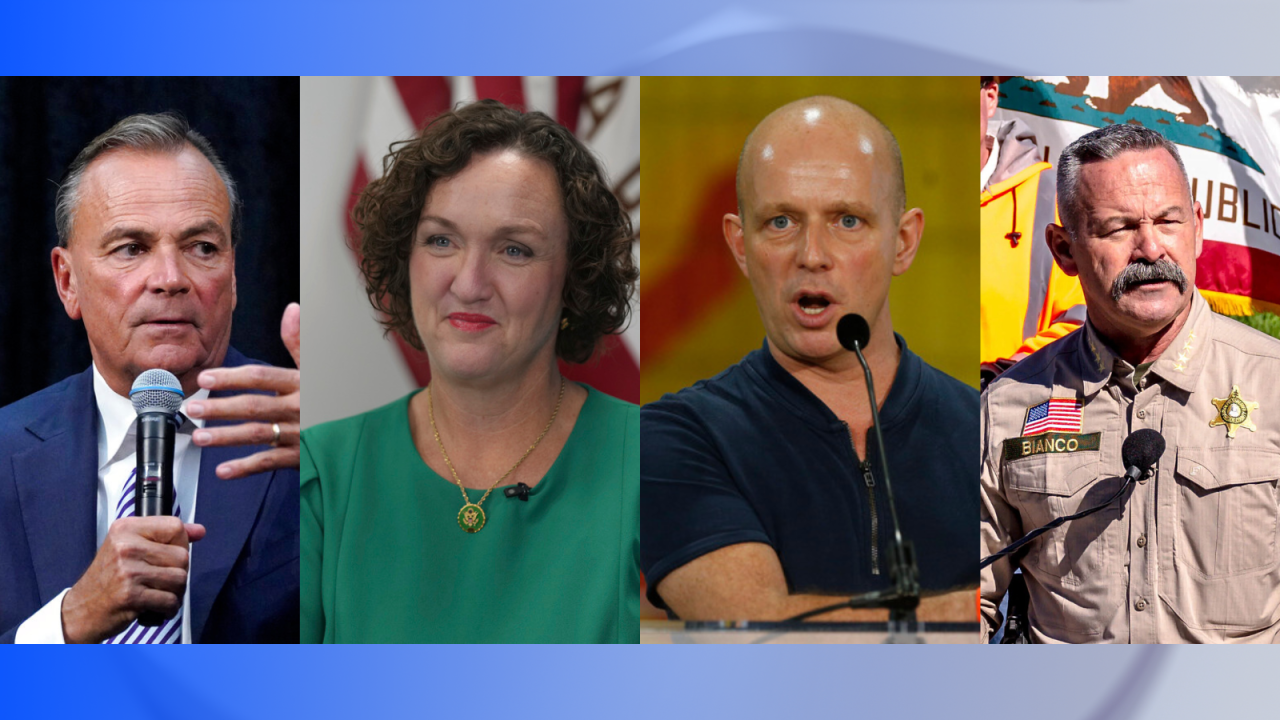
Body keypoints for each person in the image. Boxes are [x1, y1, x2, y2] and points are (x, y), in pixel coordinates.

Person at [300, 99, 640, 643]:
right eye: (441, 240)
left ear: (574, 278)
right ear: (404, 258)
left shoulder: (654, 464)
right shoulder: (321, 475)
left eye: (514, 249)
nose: (469, 281)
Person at [641, 96, 978, 622]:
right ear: (740, 246)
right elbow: (757, 628)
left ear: (903, 242)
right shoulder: (673, 436)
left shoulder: (983, 428)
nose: (812, 254)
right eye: (781, 222)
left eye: (847, 220)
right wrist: (972, 609)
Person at [0, 113, 301, 644]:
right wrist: (70, 623)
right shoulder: (6, 456)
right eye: (131, 248)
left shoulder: (315, 441)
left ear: (232, 278)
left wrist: (363, 463)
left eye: (202, 248)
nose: (169, 279)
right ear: (67, 281)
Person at [980, 123, 1280, 643]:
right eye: (1118, 228)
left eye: (1169, 221)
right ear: (1063, 249)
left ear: (1199, 230)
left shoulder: (1271, 383)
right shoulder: (1010, 405)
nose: (1150, 248)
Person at [980, 76, 1085, 385]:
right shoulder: (892, 189)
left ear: (990, 96)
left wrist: (1006, 375)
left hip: (1014, 413)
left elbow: (1083, 317)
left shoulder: (1052, 197)